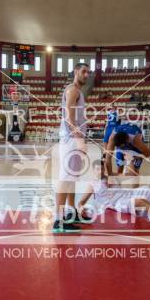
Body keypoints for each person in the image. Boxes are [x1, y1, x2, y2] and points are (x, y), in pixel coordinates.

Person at [54, 63, 91, 232]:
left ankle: (71, 212)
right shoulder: (72, 90)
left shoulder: (79, 92)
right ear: (76, 72)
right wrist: (79, 140)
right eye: (83, 71)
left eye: (88, 72)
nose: (86, 74)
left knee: (71, 178)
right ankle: (58, 220)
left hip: (73, 139)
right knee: (65, 178)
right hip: (70, 140)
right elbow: (69, 118)